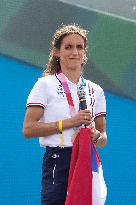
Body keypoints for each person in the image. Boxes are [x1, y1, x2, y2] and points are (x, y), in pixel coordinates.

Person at [22, 24, 107, 205]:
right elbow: (28, 129)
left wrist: (96, 136)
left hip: (85, 157)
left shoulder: (96, 90)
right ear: (56, 52)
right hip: (58, 159)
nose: (74, 52)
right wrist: (70, 122)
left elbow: (103, 139)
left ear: (85, 52)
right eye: (68, 47)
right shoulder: (45, 85)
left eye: (79, 47)